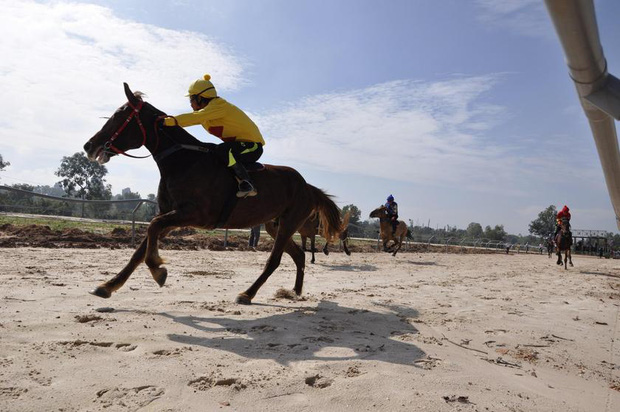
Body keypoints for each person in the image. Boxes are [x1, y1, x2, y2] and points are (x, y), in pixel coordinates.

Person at [161, 74, 265, 198]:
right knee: (209, 150)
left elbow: (194, 117)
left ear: (200, 98)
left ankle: (247, 183)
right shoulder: (206, 115)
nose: (190, 104)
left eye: (191, 99)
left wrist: (165, 121)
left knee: (223, 150)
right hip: (239, 146)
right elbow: (187, 121)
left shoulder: (218, 106)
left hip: (253, 147)